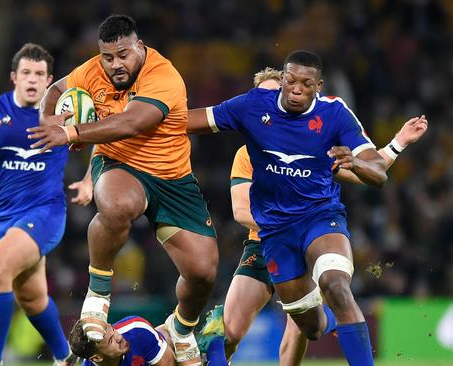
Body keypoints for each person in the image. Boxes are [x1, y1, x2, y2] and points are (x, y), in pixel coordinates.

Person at [185, 50, 427, 365]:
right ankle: (215, 345)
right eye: (287, 84)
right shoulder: (250, 138)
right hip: (270, 238)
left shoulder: (331, 118)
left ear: (318, 86)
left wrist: (380, 150)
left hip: (319, 220)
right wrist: (135, 119)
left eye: (305, 83)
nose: (294, 90)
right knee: (308, 327)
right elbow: (239, 208)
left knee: (335, 285)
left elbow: (372, 172)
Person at [28, 15, 218, 366]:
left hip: (173, 178)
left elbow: (133, 122)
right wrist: (48, 120)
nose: (115, 64)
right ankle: (97, 294)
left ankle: (182, 327)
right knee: (117, 205)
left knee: (203, 271)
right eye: (108, 57)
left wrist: (72, 133)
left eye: (123, 55)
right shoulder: (91, 71)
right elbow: (55, 92)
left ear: (140, 47)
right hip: (120, 165)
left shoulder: (163, 76)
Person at [0, 43, 89, 366]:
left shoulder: (65, 112)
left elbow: (104, 141)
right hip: (3, 215)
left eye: (39, 74)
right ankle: (65, 357)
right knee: (32, 298)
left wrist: (89, 180)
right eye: (26, 73)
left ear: (49, 80)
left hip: (46, 212)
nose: (32, 79)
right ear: (14, 77)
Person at [69, 316, 175, 366]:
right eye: (111, 341)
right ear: (97, 358)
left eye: (114, 330)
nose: (119, 337)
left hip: (171, 351)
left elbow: (169, 363)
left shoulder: (137, 331)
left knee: (171, 337)